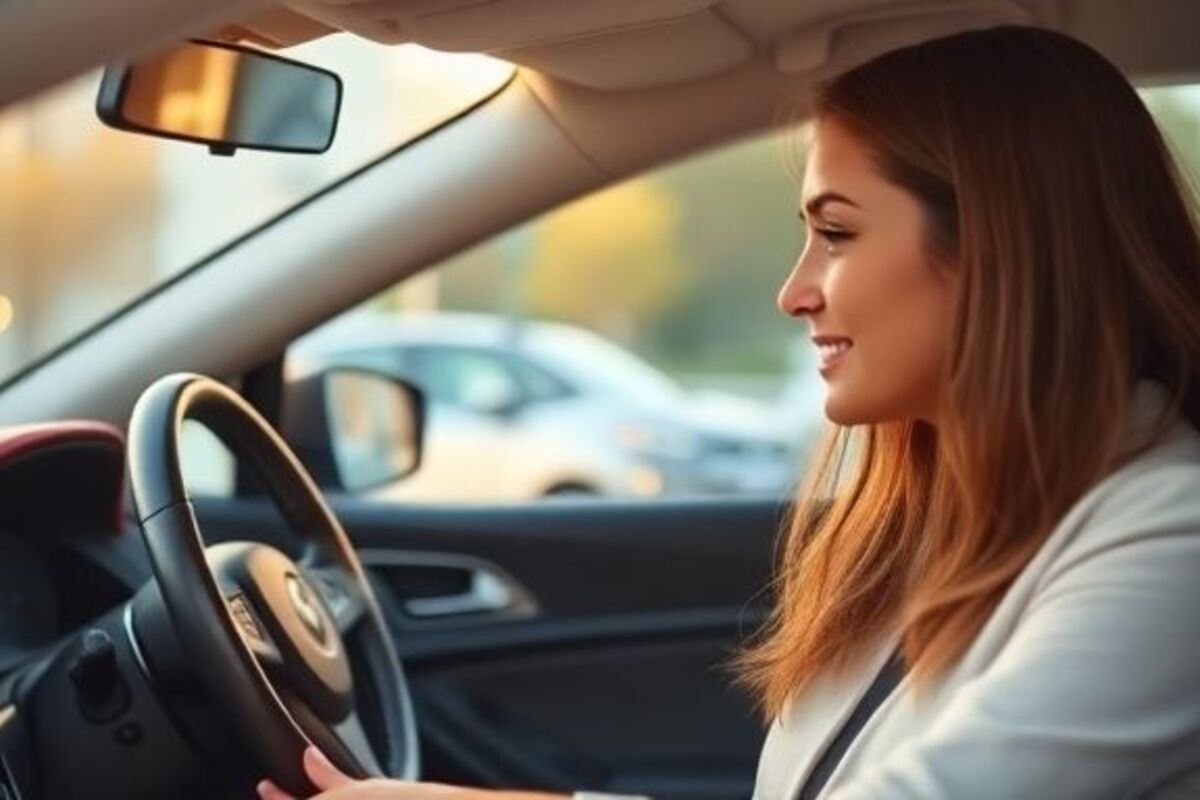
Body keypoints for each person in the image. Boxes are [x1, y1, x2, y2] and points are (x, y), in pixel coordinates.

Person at [258, 24, 1200, 800]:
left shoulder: (1171, 539)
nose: (795, 292)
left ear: (1001, 248)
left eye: (836, 233)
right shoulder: (933, 528)